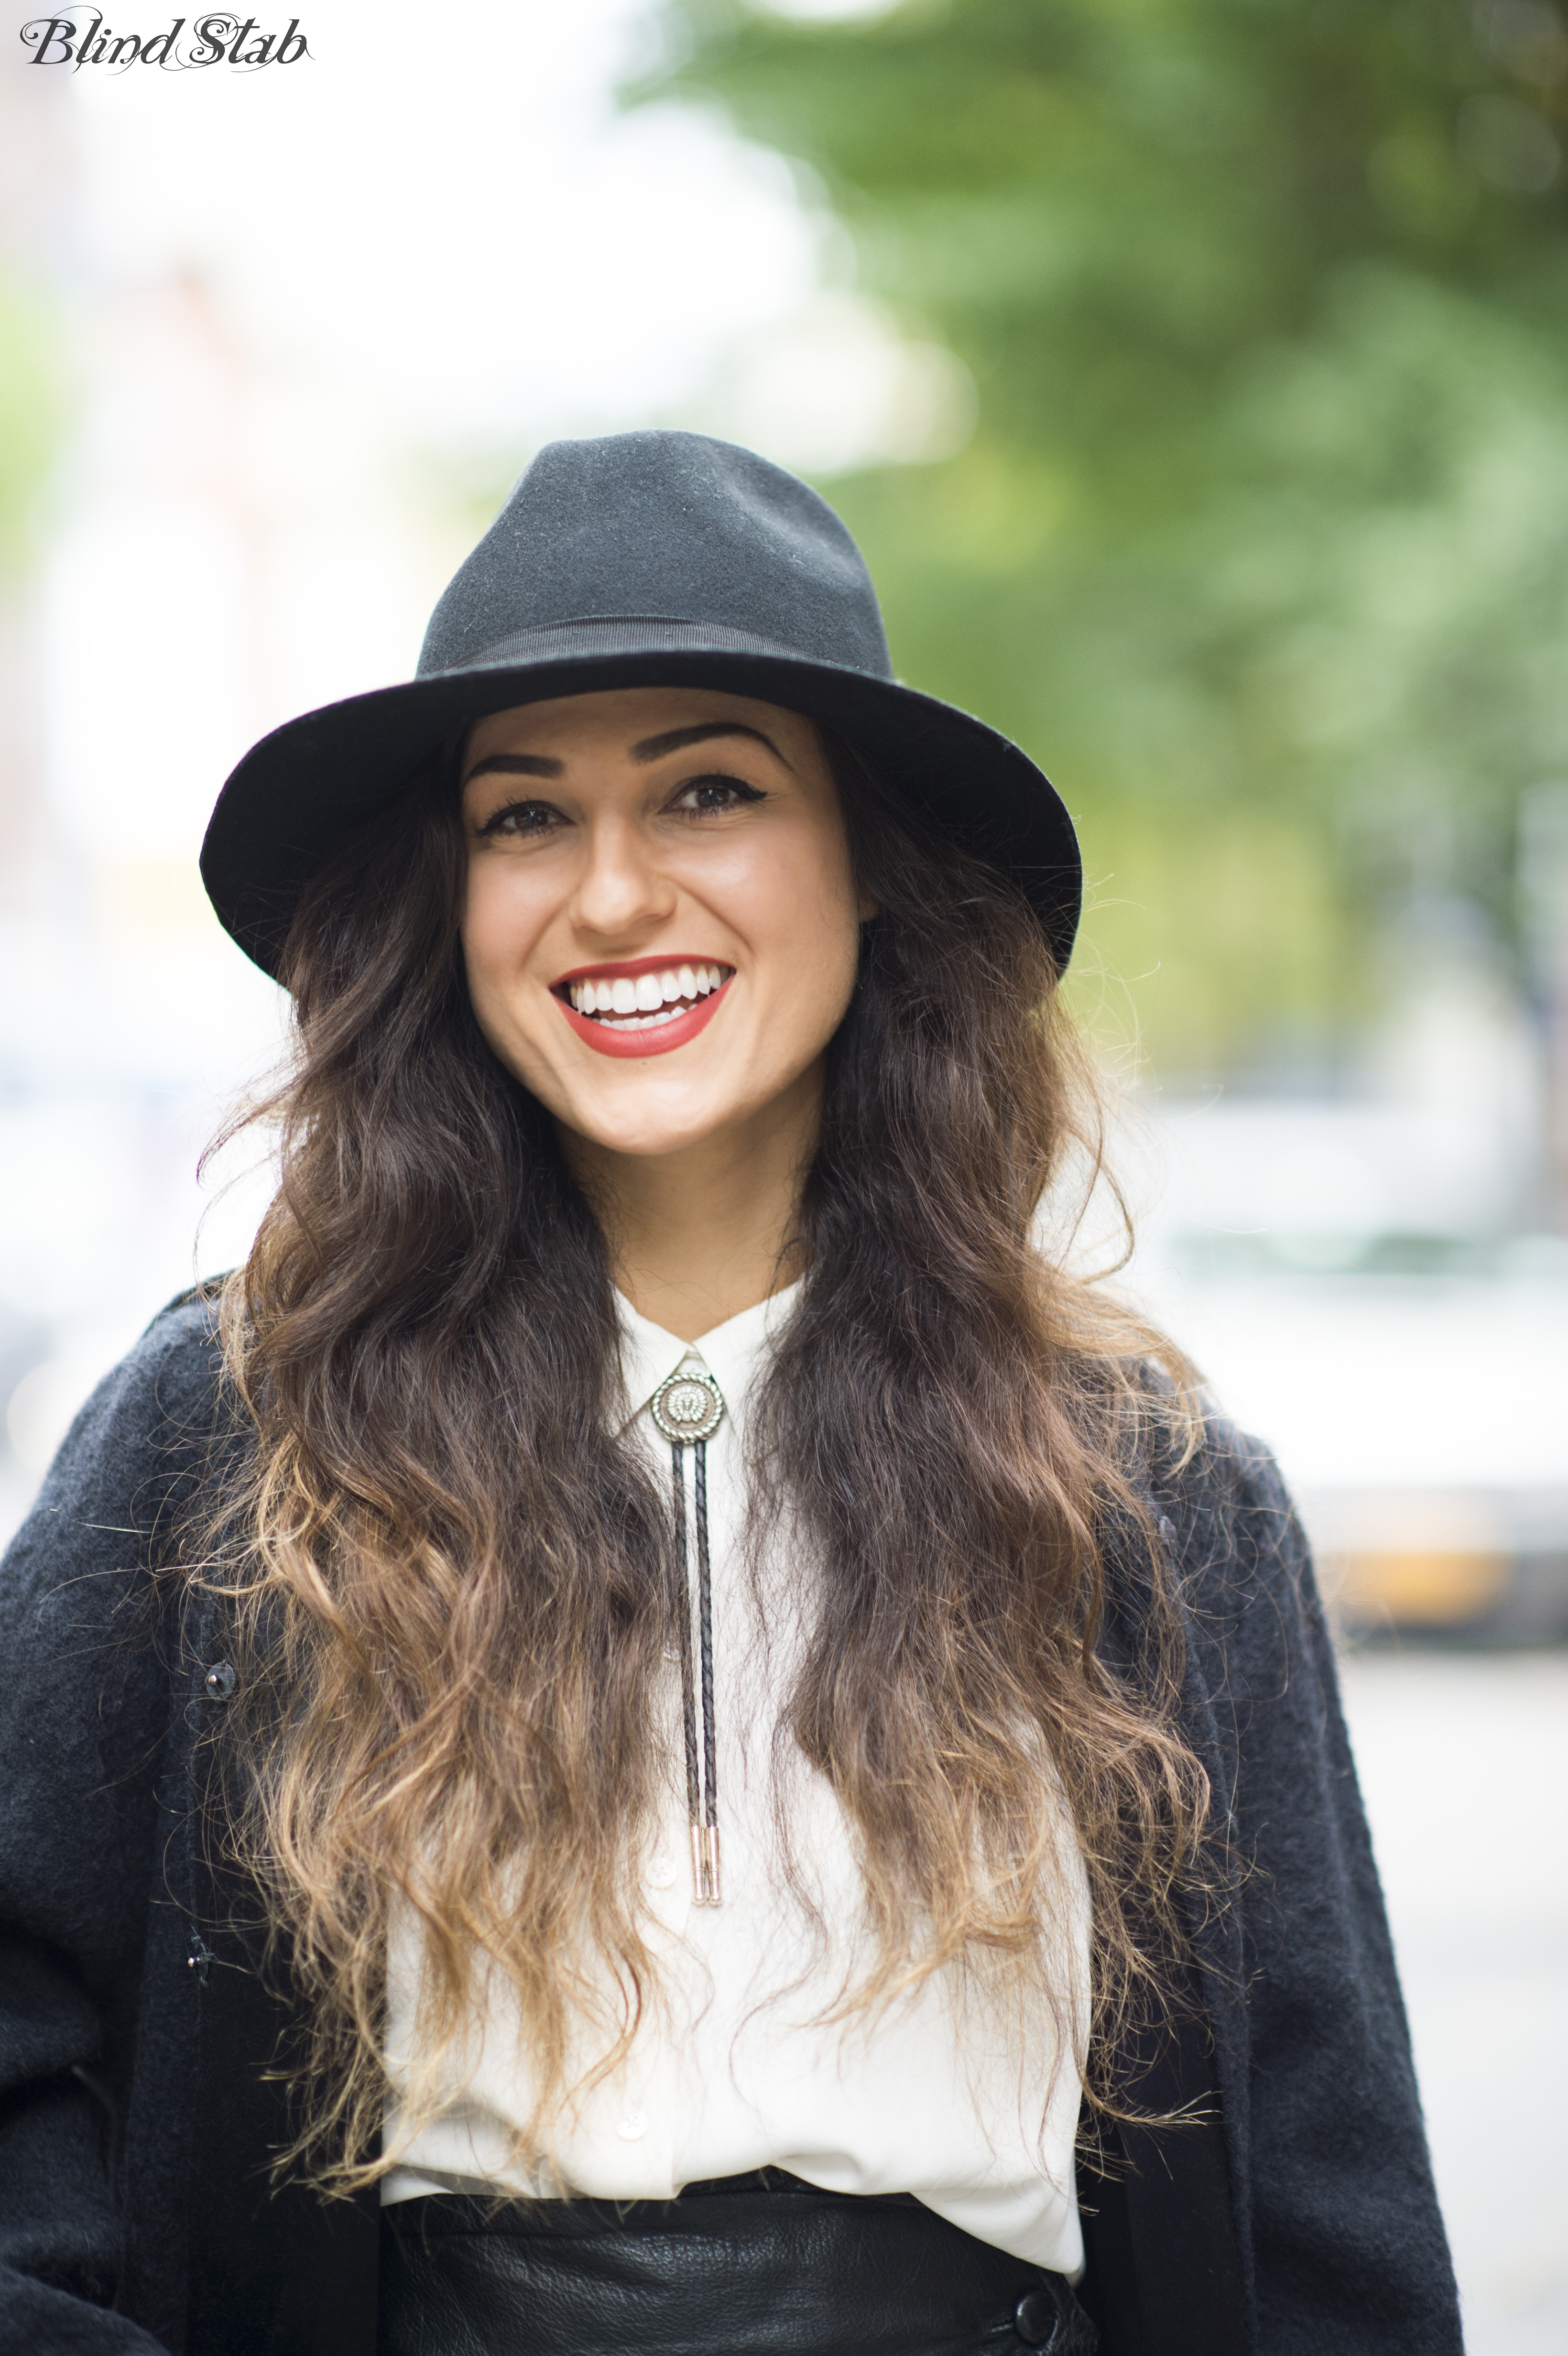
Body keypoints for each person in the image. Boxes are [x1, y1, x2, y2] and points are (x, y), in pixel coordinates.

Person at [0, 432, 1459, 2356]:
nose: (611, 891)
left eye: (707, 788)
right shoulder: (236, 1427)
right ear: (446, 896)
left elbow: (1327, 2215)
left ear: (868, 865)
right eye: (524, 818)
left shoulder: (1139, 1483)